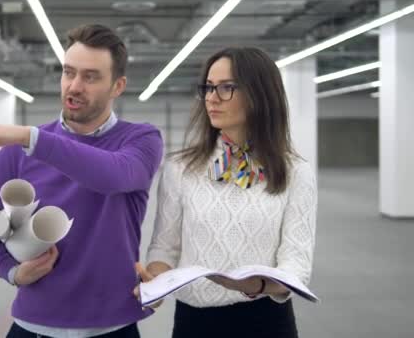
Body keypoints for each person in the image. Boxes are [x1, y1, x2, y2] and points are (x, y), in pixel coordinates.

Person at [0, 24, 163, 338]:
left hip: (112, 328)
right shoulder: (21, 151)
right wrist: (10, 271)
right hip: (32, 326)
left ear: (118, 86)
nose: (74, 86)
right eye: (68, 72)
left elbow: (112, 175)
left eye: (90, 76)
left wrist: (30, 137)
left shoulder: (140, 140)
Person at [135, 47, 317, 338]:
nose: (211, 97)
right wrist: (154, 281)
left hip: (266, 322)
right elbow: (165, 247)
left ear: (260, 94)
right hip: (195, 324)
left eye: (226, 87)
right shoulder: (180, 168)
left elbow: (296, 267)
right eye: (208, 87)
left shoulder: (296, 172)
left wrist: (255, 286)